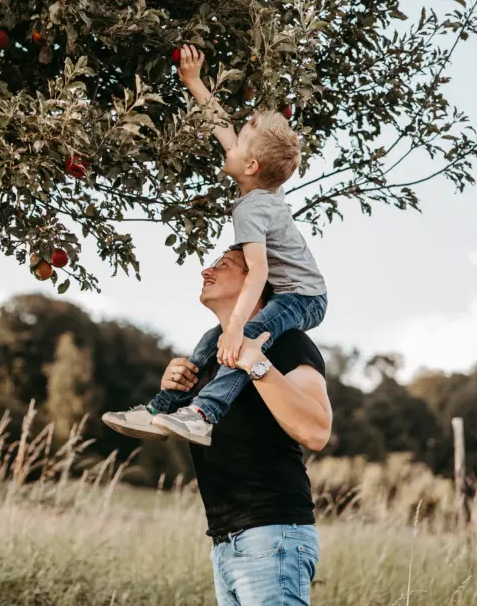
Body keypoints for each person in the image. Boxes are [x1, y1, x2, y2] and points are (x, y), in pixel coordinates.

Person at [102, 44, 327, 446]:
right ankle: (158, 410)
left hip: (303, 297)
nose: (230, 144)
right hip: (289, 292)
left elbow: (258, 270)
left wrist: (237, 327)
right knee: (212, 339)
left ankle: (204, 413)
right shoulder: (255, 186)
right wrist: (193, 81)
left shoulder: (252, 209)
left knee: (244, 336)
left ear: (251, 167)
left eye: (238, 144)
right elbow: (220, 123)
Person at [158, 246, 332, 605]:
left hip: (272, 536)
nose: (207, 270)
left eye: (224, 265)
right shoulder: (209, 356)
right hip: (224, 543)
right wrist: (169, 393)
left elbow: (317, 430)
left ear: (256, 281)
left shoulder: (287, 343)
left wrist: (257, 363)